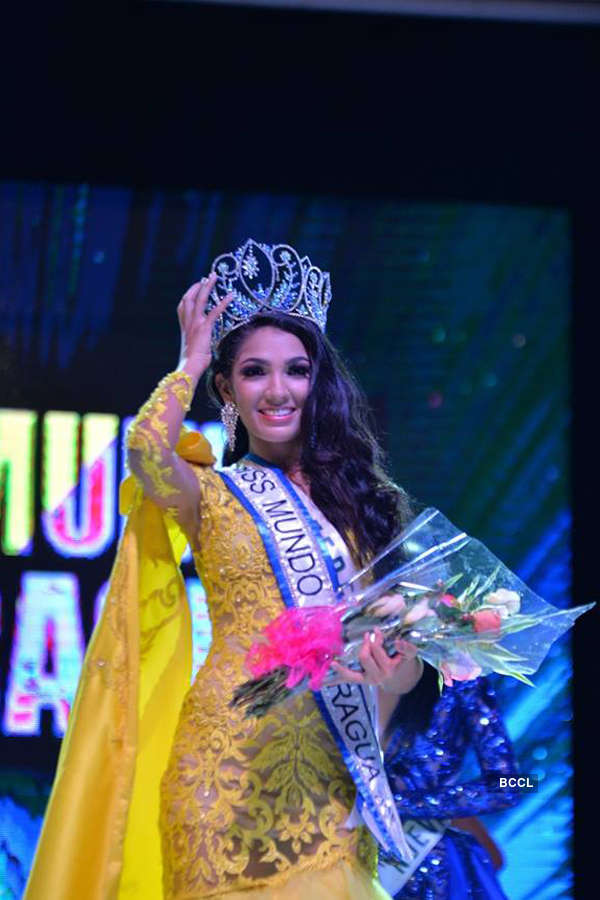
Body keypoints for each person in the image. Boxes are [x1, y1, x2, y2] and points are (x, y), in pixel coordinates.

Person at [24, 241, 426, 899]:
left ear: (317, 381)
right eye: (253, 372)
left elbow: (402, 666)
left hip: (328, 776)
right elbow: (147, 453)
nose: (277, 391)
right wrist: (188, 361)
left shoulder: (368, 506)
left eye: (296, 370)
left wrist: (397, 667)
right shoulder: (210, 491)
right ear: (227, 388)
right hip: (223, 769)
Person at [378, 661, 522, 899]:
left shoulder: (461, 674)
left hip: (432, 871)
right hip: (339, 851)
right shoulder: (337, 670)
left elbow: (514, 785)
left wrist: (397, 804)